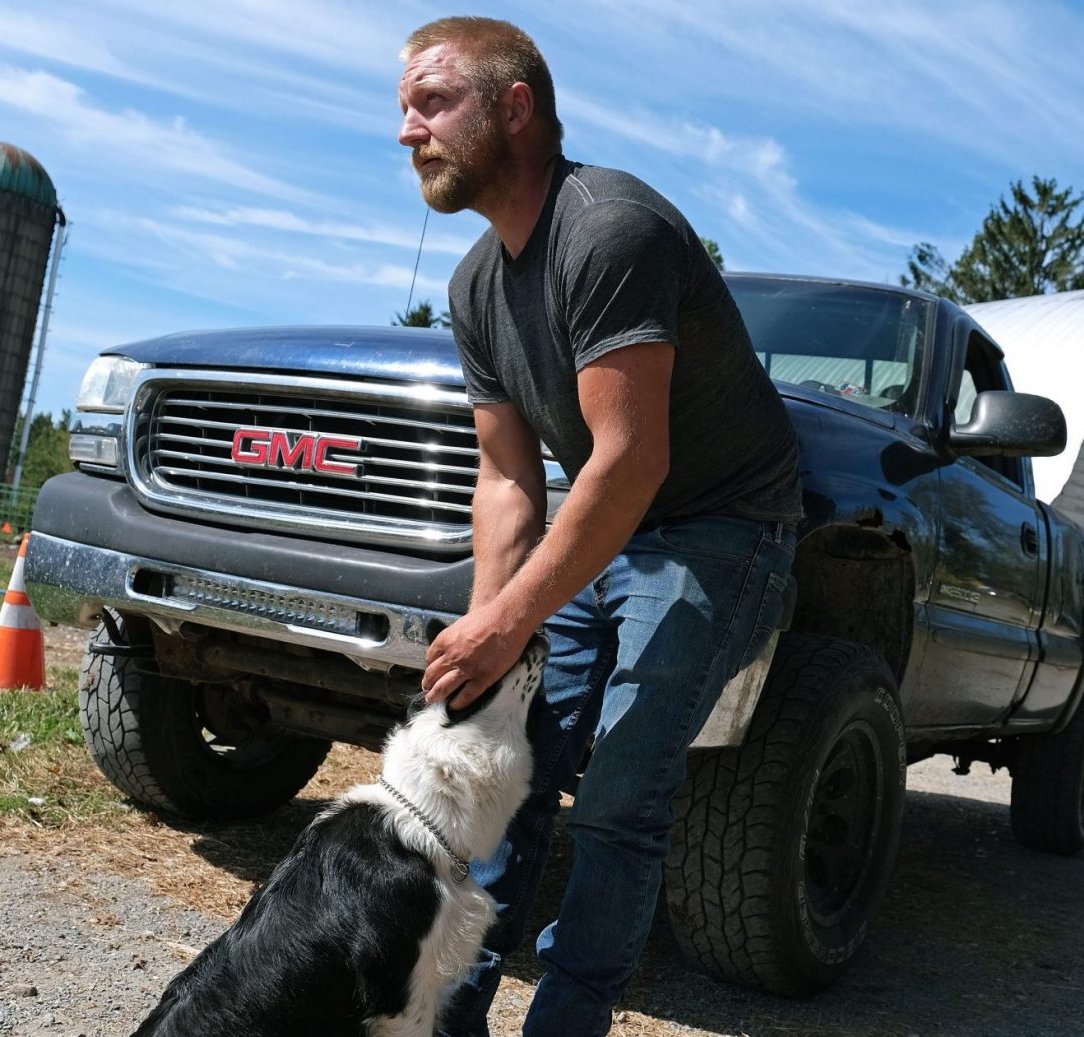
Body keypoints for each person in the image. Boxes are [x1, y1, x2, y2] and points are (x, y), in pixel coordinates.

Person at [399, 16, 803, 1037]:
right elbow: (507, 479)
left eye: (433, 102)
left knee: (622, 788)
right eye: (405, 108)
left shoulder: (609, 228)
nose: (409, 131)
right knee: (514, 768)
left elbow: (632, 458)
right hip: (606, 526)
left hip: (720, 524)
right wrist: (496, 630)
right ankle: (452, 1017)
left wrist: (506, 622)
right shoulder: (475, 285)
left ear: (514, 106)